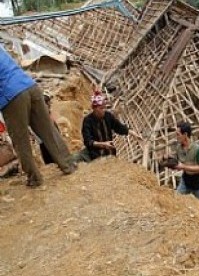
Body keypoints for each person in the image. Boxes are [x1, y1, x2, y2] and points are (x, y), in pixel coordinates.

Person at [0, 46, 76, 187]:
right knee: (48, 130)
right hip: (30, 86)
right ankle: (68, 165)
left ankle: (34, 179)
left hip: (12, 96)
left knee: (20, 139)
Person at [79, 90, 142, 162]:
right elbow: (88, 141)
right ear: (95, 109)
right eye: (101, 108)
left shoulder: (108, 116)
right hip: (95, 155)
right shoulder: (87, 121)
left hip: (110, 153)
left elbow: (118, 127)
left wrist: (132, 133)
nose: (103, 110)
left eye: (104, 107)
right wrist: (102, 144)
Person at [172, 121, 199, 203]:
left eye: (178, 134)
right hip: (185, 181)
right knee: (175, 202)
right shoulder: (179, 148)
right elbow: (177, 163)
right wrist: (170, 162)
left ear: (185, 135)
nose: (176, 137)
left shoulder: (197, 149)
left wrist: (183, 167)